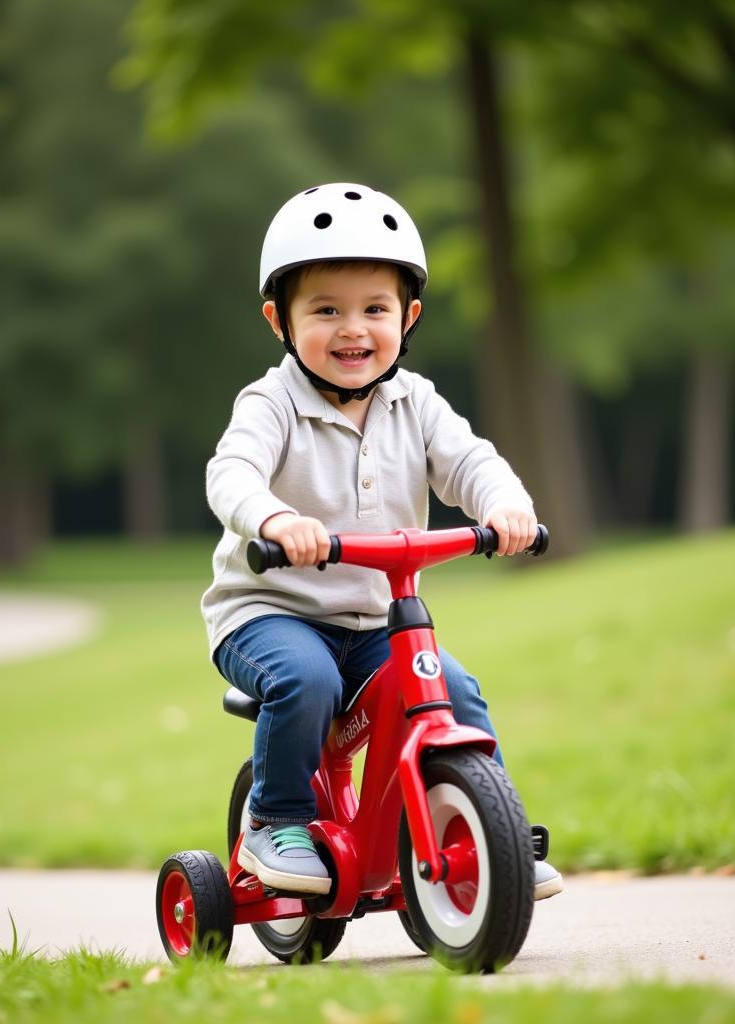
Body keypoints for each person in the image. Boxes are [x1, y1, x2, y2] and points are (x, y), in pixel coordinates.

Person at [201, 182, 562, 901]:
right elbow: (231, 472)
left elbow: (471, 462)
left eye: (374, 309)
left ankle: (488, 822)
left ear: (409, 316)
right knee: (307, 680)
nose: (352, 329)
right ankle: (276, 819)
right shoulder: (270, 404)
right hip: (270, 613)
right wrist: (275, 521)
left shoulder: (416, 403)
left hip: (374, 622)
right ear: (279, 319)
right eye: (325, 310)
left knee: (452, 687)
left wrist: (506, 506)